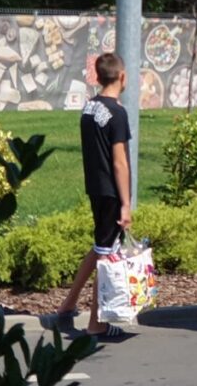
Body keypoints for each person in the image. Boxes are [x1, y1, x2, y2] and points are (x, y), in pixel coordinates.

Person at [55, 53, 132, 339]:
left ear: (97, 78)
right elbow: (120, 162)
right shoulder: (117, 113)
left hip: (95, 188)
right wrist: (126, 203)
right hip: (112, 192)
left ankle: (68, 306)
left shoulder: (90, 108)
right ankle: (95, 323)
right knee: (106, 255)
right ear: (122, 77)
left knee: (100, 248)